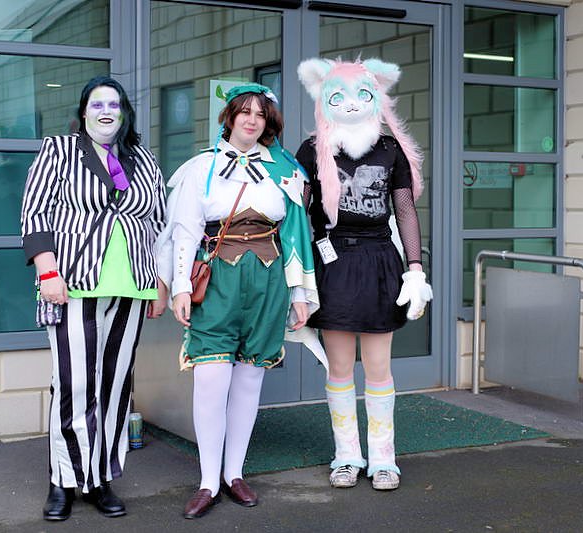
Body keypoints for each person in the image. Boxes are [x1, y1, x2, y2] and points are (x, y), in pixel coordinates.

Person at [155, 83, 319, 519]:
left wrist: (300, 294)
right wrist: (181, 287)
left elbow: (295, 235)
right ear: (229, 117)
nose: (251, 120)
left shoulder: (284, 171)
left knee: (249, 381)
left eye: (260, 114)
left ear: (268, 123)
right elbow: (185, 230)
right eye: (244, 112)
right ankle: (208, 480)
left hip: (268, 281)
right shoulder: (201, 168)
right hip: (218, 281)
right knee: (211, 380)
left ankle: (235, 473)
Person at [20, 75, 168, 521]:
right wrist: (48, 271)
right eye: (98, 104)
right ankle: (63, 480)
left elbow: (159, 224)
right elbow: (35, 212)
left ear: (124, 112)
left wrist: (159, 283)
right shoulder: (59, 151)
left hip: (132, 286)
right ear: (84, 111)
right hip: (73, 285)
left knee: (115, 385)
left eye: (114, 104)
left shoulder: (143, 159)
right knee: (74, 385)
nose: (106, 112)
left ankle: (100, 477)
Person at [296, 58, 433, 491]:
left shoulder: (390, 149)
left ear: (377, 98)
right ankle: (346, 456)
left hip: (379, 262)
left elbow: (405, 210)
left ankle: (384, 459)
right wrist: (294, 275)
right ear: (324, 99)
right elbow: (297, 213)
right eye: (339, 96)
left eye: (362, 95)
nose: (352, 104)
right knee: (338, 367)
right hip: (331, 262)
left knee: (378, 367)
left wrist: (415, 270)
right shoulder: (312, 149)